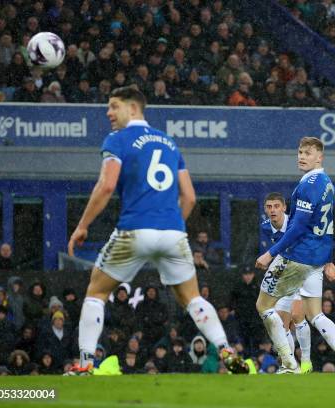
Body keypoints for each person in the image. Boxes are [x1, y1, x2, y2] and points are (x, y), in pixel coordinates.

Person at [67, 87, 244, 374]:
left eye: (114, 106)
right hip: (173, 232)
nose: (108, 113)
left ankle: (85, 364)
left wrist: (82, 225)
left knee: (96, 294)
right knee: (193, 298)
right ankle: (226, 349)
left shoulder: (118, 139)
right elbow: (189, 197)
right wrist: (171, 225)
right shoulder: (169, 143)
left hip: (134, 230)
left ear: (133, 108)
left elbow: (107, 185)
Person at [254, 137, 335, 374]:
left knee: (263, 306)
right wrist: (327, 258)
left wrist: (270, 253)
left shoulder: (309, 183)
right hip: (316, 259)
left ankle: (289, 364)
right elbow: (329, 226)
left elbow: (298, 227)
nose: (301, 156)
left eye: (308, 153)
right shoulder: (327, 183)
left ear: (320, 157)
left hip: (298, 256)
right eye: (300, 152)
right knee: (315, 314)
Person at [260, 192, 313, 373]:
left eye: (276, 206)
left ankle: (306, 361)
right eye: (269, 207)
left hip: (305, 271)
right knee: (282, 324)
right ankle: (289, 365)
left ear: (284, 208)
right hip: (286, 273)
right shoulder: (266, 227)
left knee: (298, 315)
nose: (273, 210)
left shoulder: (294, 224)